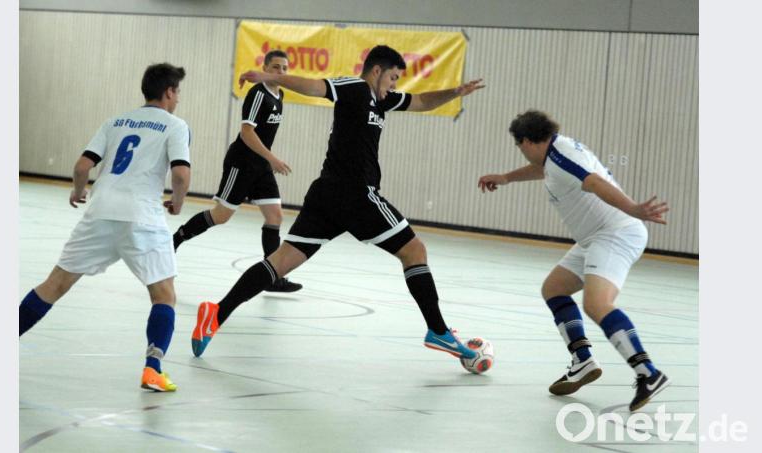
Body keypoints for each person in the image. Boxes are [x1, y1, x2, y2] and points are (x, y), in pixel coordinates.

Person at [190, 45, 485, 363]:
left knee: (280, 262)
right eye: (393, 78)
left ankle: (216, 314)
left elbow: (423, 101)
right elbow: (315, 87)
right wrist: (266, 76)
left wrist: (455, 91)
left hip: (327, 196)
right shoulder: (356, 88)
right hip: (356, 193)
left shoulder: (381, 100)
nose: (395, 86)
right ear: (376, 71)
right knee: (415, 251)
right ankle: (438, 331)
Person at [477, 110, 670, 411]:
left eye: (520, 146)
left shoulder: (562, 156)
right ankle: (582, 360)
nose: (522, 153)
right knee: (554, 288)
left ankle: (648, 372)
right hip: (593, 239)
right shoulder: (555, 153)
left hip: (614, 233)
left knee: (596, 304)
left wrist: (634, 209)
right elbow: (542, 170)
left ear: (526, 141)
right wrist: (505, 178)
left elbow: (592, 182)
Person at [18, 63, 191, 392]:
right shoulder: (176, 125)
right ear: (169, 91)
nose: (178, 98)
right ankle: (153, 368)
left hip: (100, 212)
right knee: (163, 295)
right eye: (177, 92)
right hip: (142, 217)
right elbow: (181, 175)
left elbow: (82, 166)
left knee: (54, 285)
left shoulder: (115, 121)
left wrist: (78, 190)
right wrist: (179, 202)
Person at [173, 50, 302, 293]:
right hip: (242, 162)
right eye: (275, 67)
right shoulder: (258, 94)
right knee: (221, 216)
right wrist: (273, 158)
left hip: (261, 165)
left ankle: (272, 278)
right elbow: (247, 132)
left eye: (284, 68)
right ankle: (176, 239)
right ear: (265, 68)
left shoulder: (279, 94)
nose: (281, 72)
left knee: (275, 216)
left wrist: (267, 160)